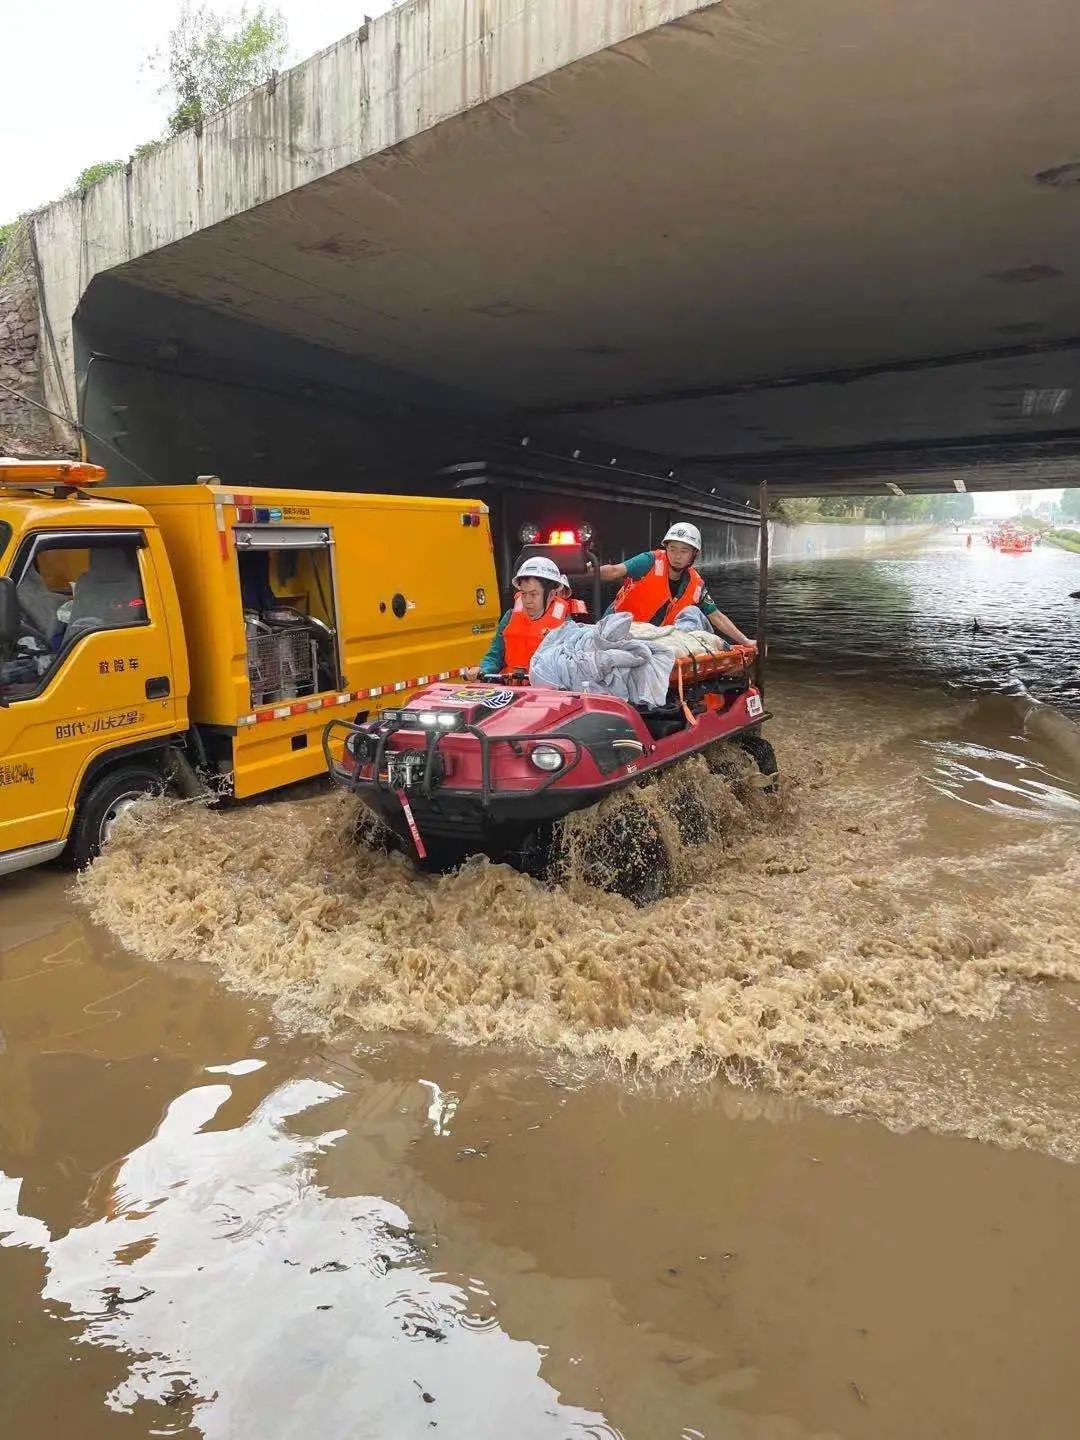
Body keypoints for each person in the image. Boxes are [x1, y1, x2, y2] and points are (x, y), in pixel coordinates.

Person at [597, 522, 752, 644]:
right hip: (619, 630)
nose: (677, 556)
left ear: (694, 554)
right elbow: (614, 571)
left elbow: (716, 616)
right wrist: (588, 570)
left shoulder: (697, 585)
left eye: (684, 551)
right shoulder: (649, 561)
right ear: (666, 548)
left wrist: (745, 641)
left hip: (654, 639)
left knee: (693, 613)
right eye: (672, 549)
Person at [464, 556, 571, 678]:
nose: (527, 600)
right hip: (510, 688)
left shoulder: (565, 625)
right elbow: (495, 655)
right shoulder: (510, 617)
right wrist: (483, 669)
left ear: (551, 594)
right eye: (524, 594)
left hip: (544, 692)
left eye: (533, 594)